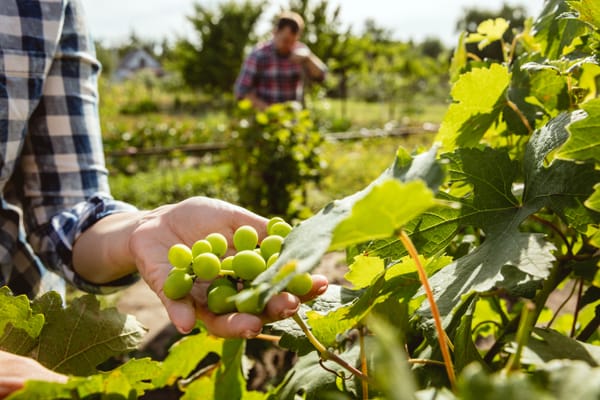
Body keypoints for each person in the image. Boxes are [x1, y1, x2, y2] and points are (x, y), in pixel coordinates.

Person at [0, 1, 327, 397]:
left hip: (14, 324)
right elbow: (243, 92)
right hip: (263, 127)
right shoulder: (258, 56)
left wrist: (142, 229)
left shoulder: (46, 7)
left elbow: (65, 209)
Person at [234, 11, 328, 110]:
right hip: (265, 120)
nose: (289, 46)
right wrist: (270, 112)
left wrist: (308, 58)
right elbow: (241, 91)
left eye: (293, 41)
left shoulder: (300, 52)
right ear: (275, 32)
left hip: (293, 120)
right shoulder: (259, 54)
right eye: (285, 40)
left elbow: (322, 76)